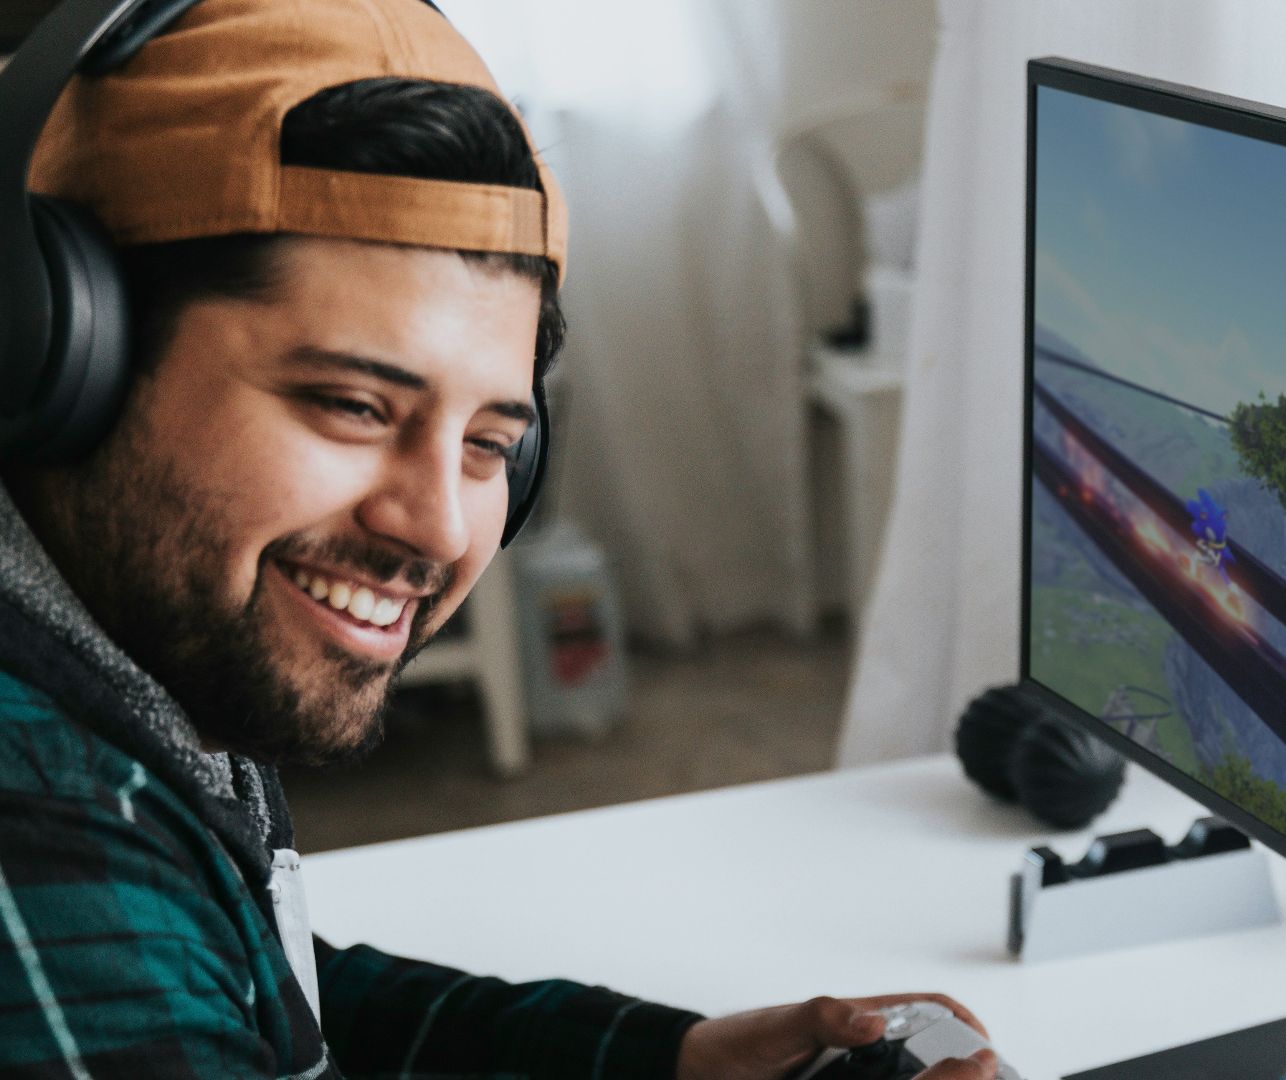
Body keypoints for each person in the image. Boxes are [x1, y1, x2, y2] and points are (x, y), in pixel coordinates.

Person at [0, 0, 996, 1076]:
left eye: (487, 443)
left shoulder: (128, 662)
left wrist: (674, 1058)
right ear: (50, 352)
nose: (434, 525)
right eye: (352, 406)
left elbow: (264, 986)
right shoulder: (40, 833)